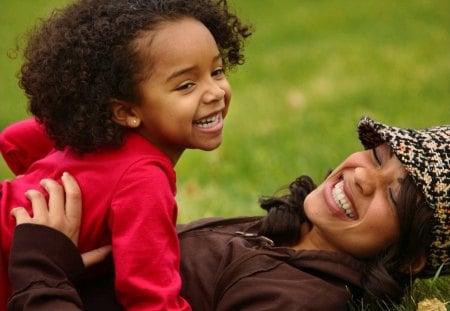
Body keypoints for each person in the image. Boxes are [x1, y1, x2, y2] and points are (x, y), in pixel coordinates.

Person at [6, 116, 450, 310]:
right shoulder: (281, 237)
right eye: (376, 156)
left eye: (393, 197)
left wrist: (40, 270)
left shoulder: (298, 300)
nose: (362, 177)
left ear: (411, 259)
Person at [0, 0, 252, 309]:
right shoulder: (143, 179)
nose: (214, 92)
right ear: (126, 110)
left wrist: (50, 185)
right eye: (186, 85)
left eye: (216, 71)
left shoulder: (91, 131)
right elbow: (150, 298)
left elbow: (15, 139)